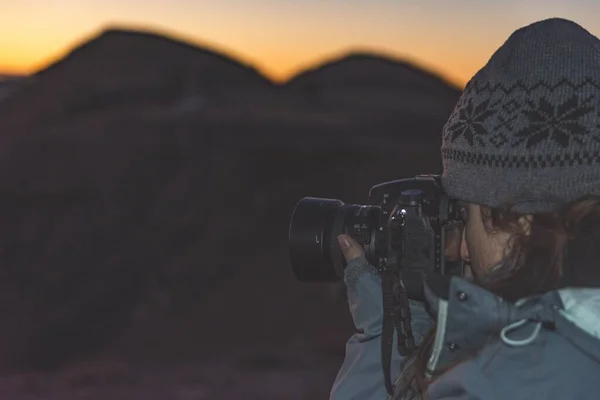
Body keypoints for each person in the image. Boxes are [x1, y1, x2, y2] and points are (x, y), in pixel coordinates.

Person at [329, 17, 600, 400]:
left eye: (466, 215)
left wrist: (379, 341)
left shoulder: (505, 383)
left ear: (520, 220)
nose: (461, 250)